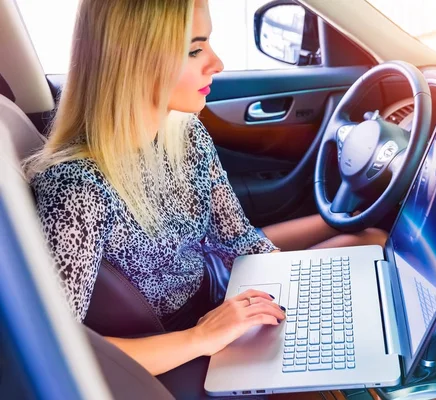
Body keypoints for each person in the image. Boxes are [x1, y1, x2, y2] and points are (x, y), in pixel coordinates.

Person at [26, 0, 386, 377]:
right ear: (133, 60)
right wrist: (200, 338)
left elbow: (237, 239)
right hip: (175, 338)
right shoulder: (75, 189)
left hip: (216, 285)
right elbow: (54, 351)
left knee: (369, 240)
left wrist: (303, 288)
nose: (217, 63)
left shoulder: (187, 134)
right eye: (195, 49)